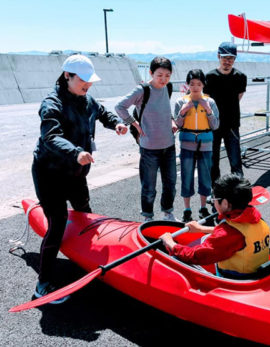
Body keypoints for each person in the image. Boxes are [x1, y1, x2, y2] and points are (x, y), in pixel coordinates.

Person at [32, 54, 128, 302]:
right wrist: (76, 152)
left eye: (90, 81)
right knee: (58, 223)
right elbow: (50, 137)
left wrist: (116, 123)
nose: (88, 85)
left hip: (75, 172)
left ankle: (88, 260)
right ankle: (43, 284)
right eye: (83, 81)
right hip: (50, 173)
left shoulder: (86, 99)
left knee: (86, 213)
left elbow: (102, 112)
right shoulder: (51, 104)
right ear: (67, 76)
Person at [160, 174, 270, 279]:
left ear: (225, 204)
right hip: (254, 272)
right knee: (205, 238)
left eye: (214, 200)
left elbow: (195, 255)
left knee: (175, 257)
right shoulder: (254, 216)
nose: (213, 203)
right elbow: (236, 233)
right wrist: (201, 229)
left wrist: (171, 244)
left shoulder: (229, 233)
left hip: (234, 280)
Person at [115, 57, 178, 222]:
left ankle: (168, 213)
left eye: (167, 75)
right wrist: (134, 124)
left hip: (169, 146)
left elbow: (165, 110)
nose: (164, 79)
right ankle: (148, 217)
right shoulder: (142, 90)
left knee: (170, 184)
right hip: (149, 147)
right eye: (160, 75)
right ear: (151, 73)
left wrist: (171, 121)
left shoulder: (168, 87)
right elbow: (119, 106)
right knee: (149, 187)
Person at [174, 69, 219, 222]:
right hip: (187, 144)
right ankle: (187, 209)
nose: (195, 87)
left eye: (198, 84)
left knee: (205, 176)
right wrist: (182, 112)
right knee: (186, 176)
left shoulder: (210, 102)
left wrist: (207, 110)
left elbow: (215, 125)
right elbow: (177, 124)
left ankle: (203, 207)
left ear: (203, 85)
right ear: (187, 85)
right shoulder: (181, 102)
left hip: (205, 144)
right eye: (192, 84)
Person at [204, 42, 247, 185]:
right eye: (224, 57)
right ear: (218, 56)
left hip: (232, 124)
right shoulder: (209, 77)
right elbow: (207, 101)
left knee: (235, 160)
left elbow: (238, 97)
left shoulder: (240, 76)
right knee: (213, 160)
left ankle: (239, 190)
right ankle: (215, 190)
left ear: (234, 59)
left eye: (231, 58)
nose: (227, 61)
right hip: (213, 125)